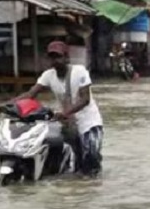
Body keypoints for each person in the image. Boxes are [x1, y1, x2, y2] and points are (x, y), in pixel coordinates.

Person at [16, 41, 104, 176]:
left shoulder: (80, 71)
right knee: (77, 163)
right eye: (51, 57)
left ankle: (93, 186)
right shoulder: (48, 75)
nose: (55, 60)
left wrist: (64, 113)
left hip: (89, 122)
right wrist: (8, 105)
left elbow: (85, 99)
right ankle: (82, 191)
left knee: (90, 157)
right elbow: (30, 94)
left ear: (66, 58)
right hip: (69, 124)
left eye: (58, 56)